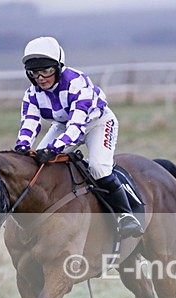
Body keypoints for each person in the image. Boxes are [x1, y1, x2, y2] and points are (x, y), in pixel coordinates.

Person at [14, 36, 143, 238]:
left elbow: (77, 126)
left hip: (96, 123)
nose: (41, 78)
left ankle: (126, 215)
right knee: (36, 164)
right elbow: (29, 122)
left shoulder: (77, 83)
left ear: (58, 67)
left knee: (99, 168)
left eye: (46, 71)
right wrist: (22, 146)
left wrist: (54, 148)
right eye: (35, 73)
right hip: (63, 125)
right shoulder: (31, 94)